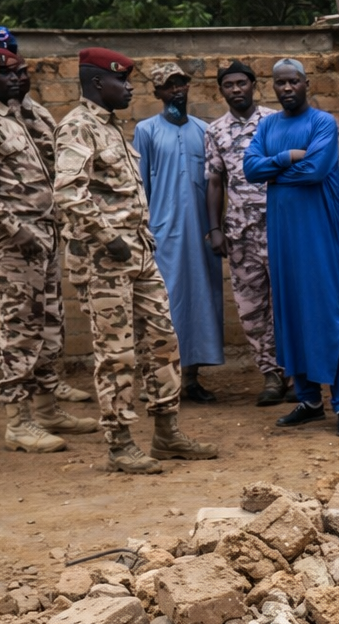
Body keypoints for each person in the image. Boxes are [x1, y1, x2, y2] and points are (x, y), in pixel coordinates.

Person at [54, 47, 218, 473]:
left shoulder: (113, 129)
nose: (129, 88)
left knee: (164, 340)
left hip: (140, 253)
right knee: (117, 354)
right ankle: (120, 443)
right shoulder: (77, 127)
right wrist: (109, 239)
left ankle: (167, 432)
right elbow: (68, 193)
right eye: (121, 82)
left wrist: (138, 241)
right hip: (105, 260)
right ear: (96, 84)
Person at [0, 43, 98, 454]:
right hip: (16, 243)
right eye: (8, 73)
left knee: (50, 324)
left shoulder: (19, 113)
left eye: (20, 71)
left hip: (44, 235)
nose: (17, 78)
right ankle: (18, 421)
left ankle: (48, 408)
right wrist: (18, 231)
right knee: (20, 329)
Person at [243, 58, 339, 437]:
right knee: (291, 314)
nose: (287, 88)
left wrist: (274, 172)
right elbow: (250, 169)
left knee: (329, 314)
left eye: (293, 82)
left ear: (306, 84)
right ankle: (309, 401)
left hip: (318, 235)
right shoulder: (268, 125)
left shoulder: (322, 123)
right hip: (283, 238)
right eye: (280, 83)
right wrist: (286, 158)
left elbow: (316, 171)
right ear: (273, 87)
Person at [133, 62, 226, 403]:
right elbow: (139, 186)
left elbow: (217, 182)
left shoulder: (205, 130)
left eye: (181, 84)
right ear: (157, 93)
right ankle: (156, 382)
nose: (177, 90)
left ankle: (190, 380)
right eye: (169, 86)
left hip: (200, 234)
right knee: (163, 306)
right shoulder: (146, 131)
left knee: (200, 301)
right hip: (163, 233)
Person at [204, 60, 288, 407]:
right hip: (240, 234)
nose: (236, 90)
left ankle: (298, 374)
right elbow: (213, 181)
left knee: (287, 302)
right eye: (229, 85)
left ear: (254, 85)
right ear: (221, 90)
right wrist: (215, 228)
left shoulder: (275, 121)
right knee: (252, 307)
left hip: (279, 228)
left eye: (241, 83)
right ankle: (271, 375)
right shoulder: (215, 131)